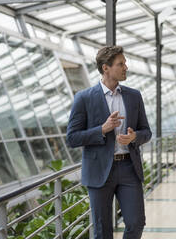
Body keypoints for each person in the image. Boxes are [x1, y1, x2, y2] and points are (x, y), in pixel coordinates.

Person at [67, 46, 152, 239]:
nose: (126, 67)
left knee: (136, 223)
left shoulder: (134, 96)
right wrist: (102, 129)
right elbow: (72, 138)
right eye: (121, 64)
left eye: (125, 63)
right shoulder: (84, 98)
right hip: (99, 171)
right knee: (102, 230)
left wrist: (134, 137)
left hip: (129, 168)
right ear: (106, 68)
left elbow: (146, 132)